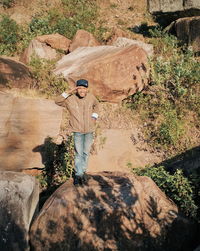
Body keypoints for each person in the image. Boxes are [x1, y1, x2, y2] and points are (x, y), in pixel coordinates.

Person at [55, 79, 99, 186]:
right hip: (77, 131)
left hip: (89, 130)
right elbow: (57, 101)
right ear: (76, 89)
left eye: (84, 88)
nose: (82, 91)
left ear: (87, 89)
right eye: (80, 88)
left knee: (86, 152)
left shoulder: (91, 97)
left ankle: (82, 172)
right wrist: (69, 92)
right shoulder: (70, 99)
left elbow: (97, 106)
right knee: (78, 153)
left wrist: (94, 117)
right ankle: (78, 175)